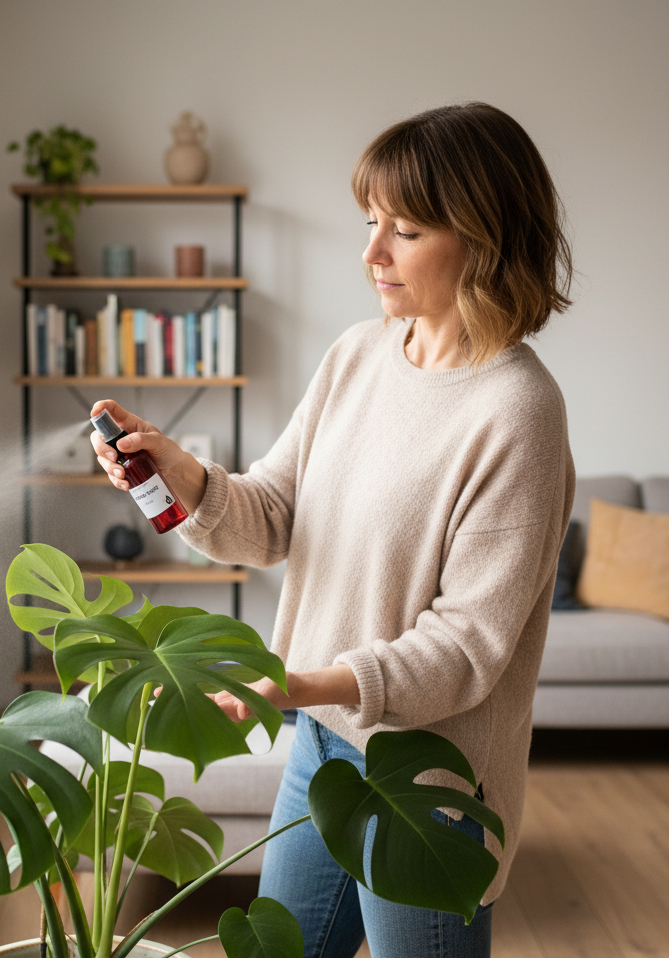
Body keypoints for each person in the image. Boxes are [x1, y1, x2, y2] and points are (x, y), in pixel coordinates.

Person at [90, 102, 575, 958]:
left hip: (432, 784)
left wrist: (305, 683)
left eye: (407, 230)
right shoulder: (357, 354)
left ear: (483, 240)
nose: (372, 252)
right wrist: (180, 473)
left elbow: (466, 646)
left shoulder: (518, 411)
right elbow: (274, 514)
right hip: (320, 743)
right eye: (371, 222)